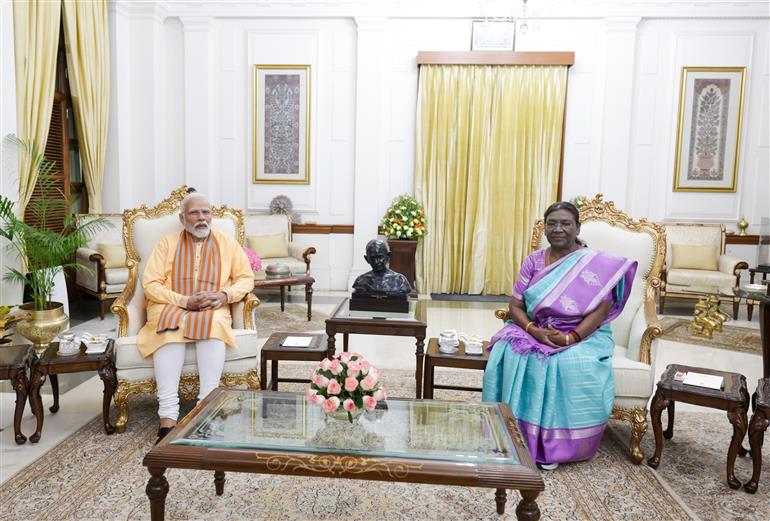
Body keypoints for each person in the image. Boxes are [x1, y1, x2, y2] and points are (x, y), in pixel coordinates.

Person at [482, 201, 637, 470]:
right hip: (537, 326)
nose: (558, 229)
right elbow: (515, 306)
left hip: (585, 332)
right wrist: (533, 330)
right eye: (552, 223)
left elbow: (603, 308)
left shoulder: (594, 263)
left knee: (566, 363)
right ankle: (513, 437)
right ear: (545, 228)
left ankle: (555, 447)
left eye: (565, 223)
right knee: (511, 352)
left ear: (577, 227)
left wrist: (571, 338)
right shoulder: (533, 261)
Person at [137, 191, 255, 442]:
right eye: (194, 213)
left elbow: (246, 278)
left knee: (212, 324)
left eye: (206, 212)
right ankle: (167, 417)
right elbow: (151, 284)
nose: (202, 217)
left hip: (212, 306)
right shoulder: (166, 243)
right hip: (172, 304)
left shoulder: (227, 242)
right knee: (168, 328)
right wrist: (183, 301)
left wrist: (225, 295)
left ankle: (205, 411)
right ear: (182, 218)